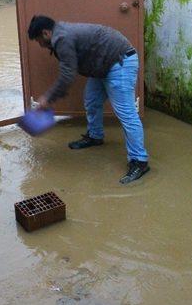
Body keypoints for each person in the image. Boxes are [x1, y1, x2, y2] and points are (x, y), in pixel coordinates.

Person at [28, 15, 150, 184]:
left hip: (119, 62)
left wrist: (47, 98)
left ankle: (139, 161)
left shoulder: (62, 38)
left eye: (38, 40)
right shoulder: (60, 33)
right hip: (102, 64)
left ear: (46, 33)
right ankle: (95, 136)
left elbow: (67, 75)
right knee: (92, 101)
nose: (40, 45)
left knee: (126, 114)